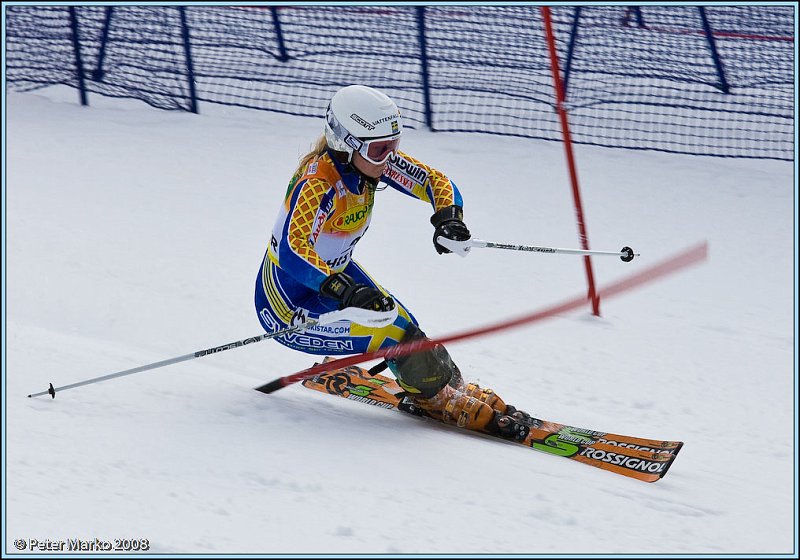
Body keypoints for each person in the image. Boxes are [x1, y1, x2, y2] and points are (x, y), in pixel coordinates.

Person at [255, 85, 530, 440]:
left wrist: (448, 217)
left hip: (334, 280)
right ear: (345, 142)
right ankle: (438, 397)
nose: (388, 157)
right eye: (379, 149)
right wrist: (346, 291)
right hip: (287, 304)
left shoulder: (367, 164)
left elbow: (433, 180)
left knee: (406, 325)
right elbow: (294, 253)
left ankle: (448, 386)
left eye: (393, 145)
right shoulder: (318, 183)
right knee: (393, 334)